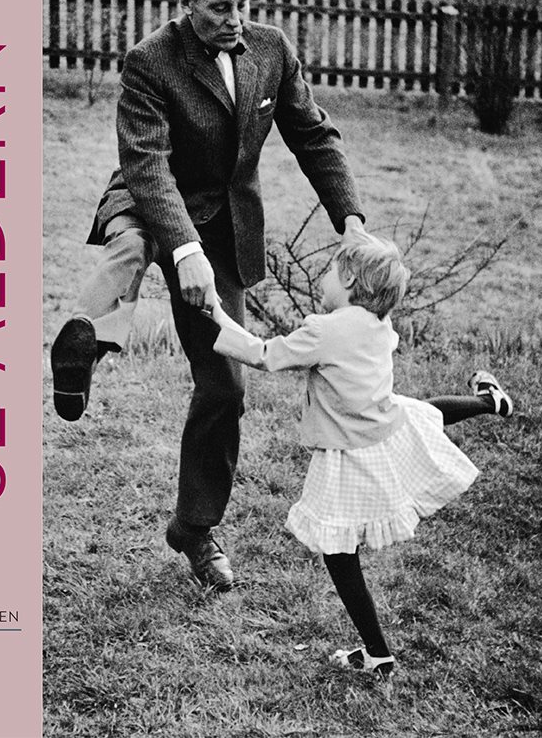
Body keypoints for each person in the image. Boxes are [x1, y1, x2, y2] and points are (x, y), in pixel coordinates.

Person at [50, 0, 367, 591]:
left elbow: (312, 134)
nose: (235, 19)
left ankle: (194, 528)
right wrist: (183, 249)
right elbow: (146, 163)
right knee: (130, 247)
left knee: (225, 387)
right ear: (187, 4)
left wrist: (351, 219)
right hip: (148, 195)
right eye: (220, 7)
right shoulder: (151, 60)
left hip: (222, 227)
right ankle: (84, 343)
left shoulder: (271, 50)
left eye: (243, 4)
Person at [208, 229, 513, 674]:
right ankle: (488, 402)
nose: (324, 277)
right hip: (382, 425)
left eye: (331, 270)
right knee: (425, 413)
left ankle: (378, 653)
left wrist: (218, 316)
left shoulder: (325, 330)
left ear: (349, 279)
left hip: (351, 452)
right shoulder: (378, 323)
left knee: (339, 554)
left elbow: (265, 355)